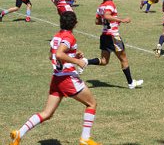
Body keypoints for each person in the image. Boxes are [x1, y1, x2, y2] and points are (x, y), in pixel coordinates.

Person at [9, 11, 101, 145]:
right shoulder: (69, 37)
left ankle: (19, 133)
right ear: (75, 23)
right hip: (67, 78)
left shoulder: (56, 36)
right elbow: (59, 54)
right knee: (91, 103)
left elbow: (52, 56)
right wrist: (77, 62)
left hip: (56, 78)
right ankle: (85, 139)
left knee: (47, 113)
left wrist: (74, 56)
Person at [84, 0, 143, 89]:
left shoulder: (100, 6)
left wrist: (108, 21)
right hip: (113, 36)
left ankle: (85, 62)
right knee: (123, 59)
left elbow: (97, 21)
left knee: (104, 61)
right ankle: (131, 83)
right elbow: (107, 15)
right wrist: (121, 20)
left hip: (104, 35)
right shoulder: (110, 4)